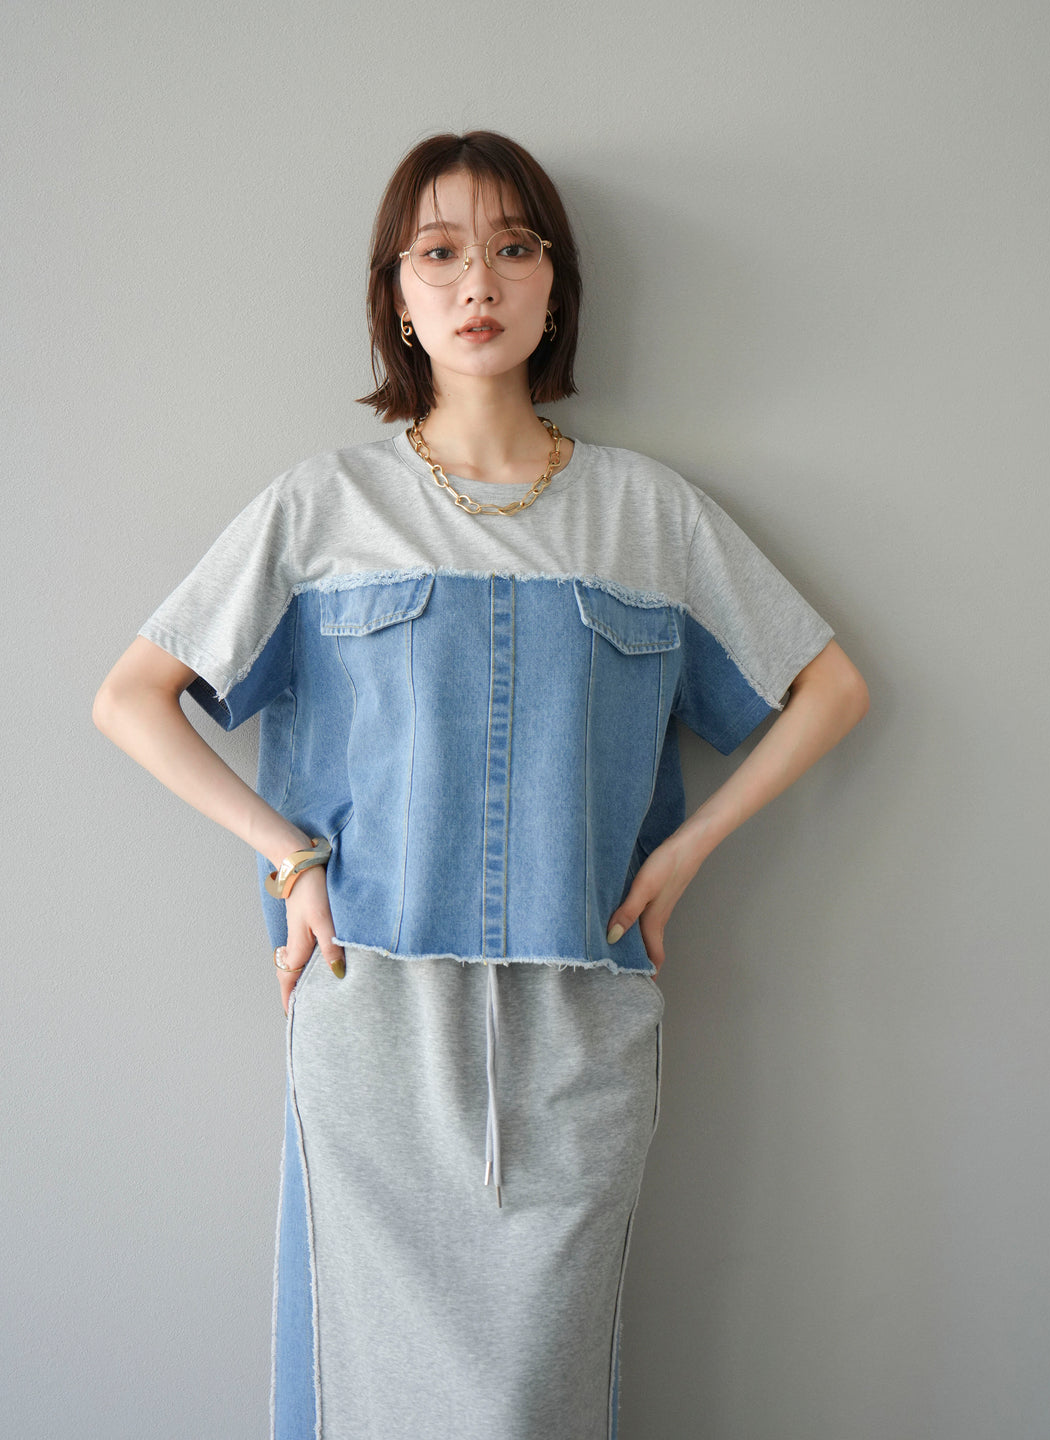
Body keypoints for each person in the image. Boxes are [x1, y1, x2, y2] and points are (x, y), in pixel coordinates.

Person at [93, 130, 868, 1440]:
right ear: (397, 296)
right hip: (376, 1007)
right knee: (370, 1387)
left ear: (556, 284)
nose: (478, 283)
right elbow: (131, 698)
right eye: (440, 253)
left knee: (539, 1397)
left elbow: (830, 690)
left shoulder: (650, 515)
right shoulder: (325, 507)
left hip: (581, 1014)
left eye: (514, 248)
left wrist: (686, 854)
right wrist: (289, 857)